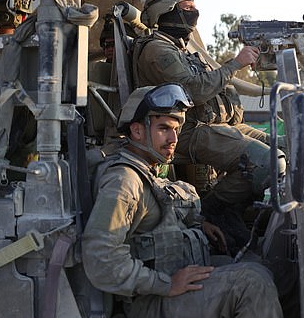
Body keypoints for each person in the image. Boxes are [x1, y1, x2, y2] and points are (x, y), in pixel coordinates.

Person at [82, 83, 282, 318]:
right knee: (252, 284)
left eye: (176, 129)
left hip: (171, 281)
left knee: (270, 270)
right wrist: (166, 284)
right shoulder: (124, 181)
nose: (173, 138)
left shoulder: (151, 170)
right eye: (164, 128)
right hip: (149, 301)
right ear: (137, 131)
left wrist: (199, 226)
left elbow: (155, 223)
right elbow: (101, 261)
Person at [132, 0, 286, 249]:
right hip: (186, 130)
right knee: (267, 164)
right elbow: (193, 91)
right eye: (187, 7)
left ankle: (236, 211)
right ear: (166, 11)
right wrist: (235, 64)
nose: (194, 12)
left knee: (288, 147)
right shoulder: (157, 49)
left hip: (217, 125)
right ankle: (213, 208)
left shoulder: (182, 48)